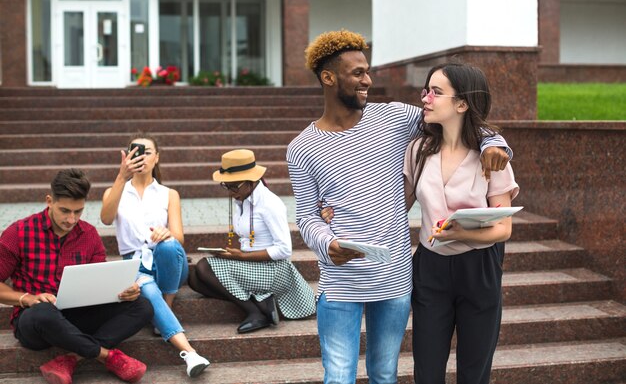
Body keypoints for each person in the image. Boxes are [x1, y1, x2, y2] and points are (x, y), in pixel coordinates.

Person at [286, 29, 512, 384]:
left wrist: (495, 144)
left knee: (385, 375)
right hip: (341, 280)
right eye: (357, 73)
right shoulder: (301, 148)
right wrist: (325, 242)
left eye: (367, 70)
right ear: (328, 78)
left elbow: (458, 119)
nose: (368, 80)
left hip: (394, 279)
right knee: (339, 377)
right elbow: (307, 215)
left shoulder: (394, 118)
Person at [405, 63, 519, 384]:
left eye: (436, 92)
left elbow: (504, 228)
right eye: (425, 90)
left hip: (479, 267)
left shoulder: (492, 157)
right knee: (427, 371)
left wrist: (464, 231)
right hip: (430, 269)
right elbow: (397, 206)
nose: (426, 98)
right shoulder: (418, 150)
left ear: (462, 103)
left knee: (474, 372)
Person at [0, 168, 153, 384]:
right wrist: (27, 298)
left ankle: (71, 359)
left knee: (143, 306)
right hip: (36, 322)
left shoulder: (89, 235)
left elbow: (100, 281)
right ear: (49, 201)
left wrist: (124, 291)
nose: (72, 219)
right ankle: (107, 357)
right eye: (65, 211)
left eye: (78, 212)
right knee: (42, 311)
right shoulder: (19, 232)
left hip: (77, 316)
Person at [100, 133, 210, 378]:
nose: (142, 156)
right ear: (127, 156)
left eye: (147, 151)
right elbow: (106, 218)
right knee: (147, 290)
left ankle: (167, 304)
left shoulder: (168, 193)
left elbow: (179, 237)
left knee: (169, 245)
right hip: (134, 263)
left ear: (157, 157)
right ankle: (190, 354)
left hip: (168, 262)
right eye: (136, 151)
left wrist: (166, 232)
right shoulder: (115, 191)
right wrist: (121, 176)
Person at [188, 149, 315, 334]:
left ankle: (256, 312)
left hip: (274, 269)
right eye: (226, 186)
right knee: (194, 281)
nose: (231, 193)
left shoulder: (270, 204)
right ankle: (260, 301)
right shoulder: (243, 198)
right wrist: (234, 255)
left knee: (204, 267)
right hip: (252, 266)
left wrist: (241, 256)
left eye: (234, 187)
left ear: (251, 180)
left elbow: (284, 250)